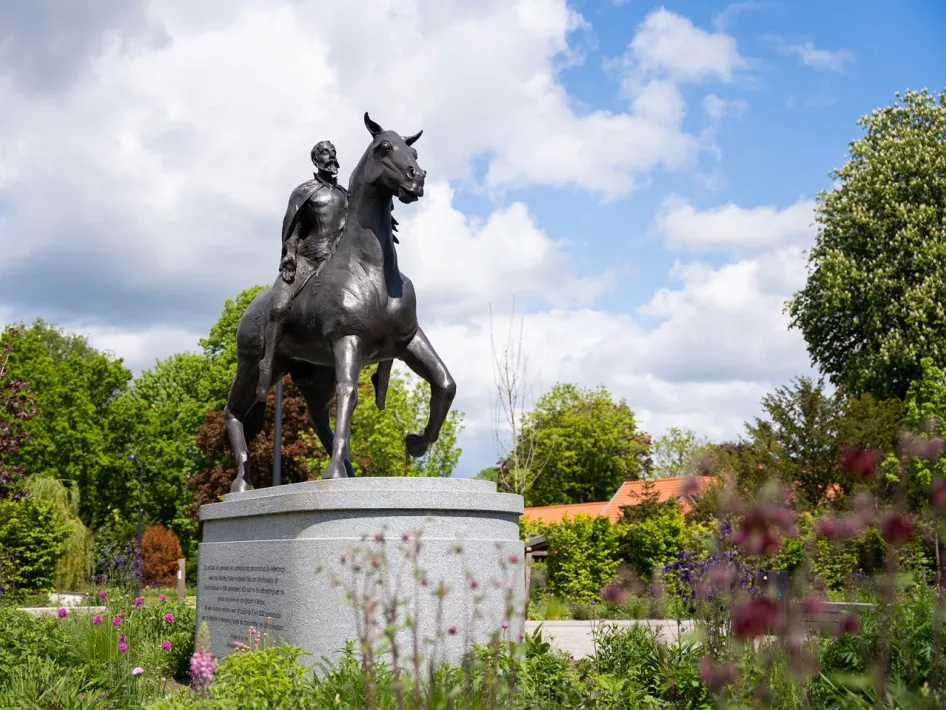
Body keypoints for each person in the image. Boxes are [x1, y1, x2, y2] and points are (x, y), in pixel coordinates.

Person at [256, 140, 348, 401]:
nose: (331, 157)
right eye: (325, 153)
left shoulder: (347, 195)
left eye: (333, 153)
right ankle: (267, 363)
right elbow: (293, 230)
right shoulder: (304, 192)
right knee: (279, 306)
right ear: (315, 160)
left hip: (338, 263)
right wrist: (289, 254)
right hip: (308, 260)